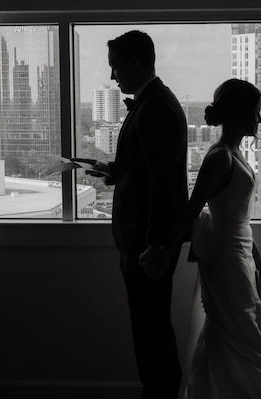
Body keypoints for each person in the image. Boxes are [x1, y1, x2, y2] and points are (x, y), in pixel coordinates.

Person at [140, 79, 261, 399]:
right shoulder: (219, 157)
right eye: (254, 112)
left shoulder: (233, 152)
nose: (258, 120)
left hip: (239, 252)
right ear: (235, 114)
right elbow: (192, 209)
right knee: (239, 330)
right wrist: (165, 249)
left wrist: (256, 253)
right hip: (225, 259)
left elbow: (237, 214)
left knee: (234, 331)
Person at [89, 31, 188, 399]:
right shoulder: (153, 102)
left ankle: (160, 393)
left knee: (151, 333)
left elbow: (162, 187)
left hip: (146, 245)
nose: (114, 78)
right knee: (151, 330)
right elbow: (148, 171)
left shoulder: (156, 107)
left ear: (134, 62)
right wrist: (113, 170)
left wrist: (156, 247)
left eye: (115, 68)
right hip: (144, 240)